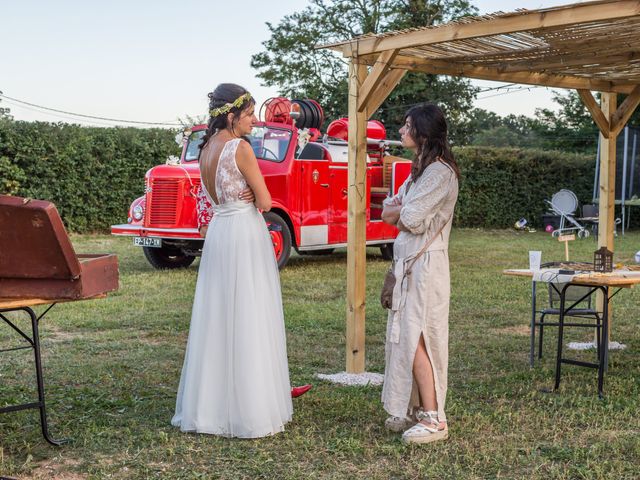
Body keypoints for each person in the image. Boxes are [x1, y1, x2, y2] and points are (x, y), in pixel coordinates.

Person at [172, 83, 294, 438]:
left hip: (220, 233)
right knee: (248, 313)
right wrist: (256, 193)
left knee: (218, 316)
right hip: (242, 230)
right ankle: (249, 410)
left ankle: (210, 407)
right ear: (232, 116)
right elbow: (267, 202)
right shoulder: (240, 148)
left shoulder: (206, 148)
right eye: (250, 115)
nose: (254, 122)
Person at [380, 103, 459, 444]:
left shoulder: (441, 173)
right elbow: (388, 210)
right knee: (404, 337)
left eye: (407, 125)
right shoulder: (420, 172)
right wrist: (402, 212)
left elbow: (409, 219)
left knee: (419, 338)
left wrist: (403, 213)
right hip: (410, 264)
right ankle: (414, 408)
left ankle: (434, 418)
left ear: (423, 132)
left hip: (426, 269)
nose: (400, 130)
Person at [195, 184, 312, 399]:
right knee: (249, 318)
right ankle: (253, 388)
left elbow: (204, 226)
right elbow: (265, 203)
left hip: (222, 248)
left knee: (232, 320)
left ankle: (264, 384)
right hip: (238, 249)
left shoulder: (208, 175)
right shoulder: (233, 163)